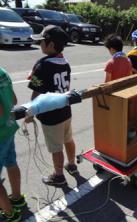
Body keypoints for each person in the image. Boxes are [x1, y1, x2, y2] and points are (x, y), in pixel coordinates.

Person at [26, 25, 78, 186]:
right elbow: (67, 88)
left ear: (51, 45)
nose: (39, 44)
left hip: (50, 115)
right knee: (68, 139)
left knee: (56, 147)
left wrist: (30, 112)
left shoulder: (42, 65)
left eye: (41, 42)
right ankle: (72, 164)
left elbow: (36, 92)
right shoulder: (65, 62)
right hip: (65, 110)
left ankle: (58, 175)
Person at [0, 68, 26, 222]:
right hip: (9, 127)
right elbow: (14, 100)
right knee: (11, 162)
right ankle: (16, 198)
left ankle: (10, 214)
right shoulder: (2, 72)